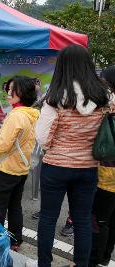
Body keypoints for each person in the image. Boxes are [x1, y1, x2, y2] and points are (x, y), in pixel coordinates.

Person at [35, 45, 112, 267]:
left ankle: (44, 264)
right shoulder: (104, 98)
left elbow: (42, 139)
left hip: (56, 167)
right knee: (82, 221)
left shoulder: (55, 98)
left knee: (48, 219)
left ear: (62, 67)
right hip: (88, 168)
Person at [0, 76, 39, 252]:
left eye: (11, 88)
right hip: (21, 168)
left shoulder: (16, 115)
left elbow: (3, 145)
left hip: (7, 168)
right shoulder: (32, 114)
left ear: (20, 93)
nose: (7, 92)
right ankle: (15, 241)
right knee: (15, 207)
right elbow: (16, 141)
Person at [89, 66, 115, 267]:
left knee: (99, 220)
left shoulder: (110, 107)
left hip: (108, 175)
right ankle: (105, 257)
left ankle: (93, 260)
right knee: (111, 219)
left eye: (105, 82)